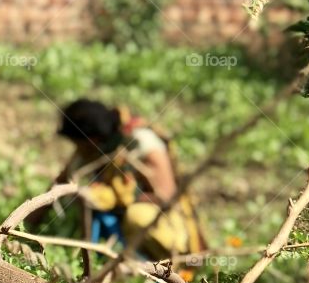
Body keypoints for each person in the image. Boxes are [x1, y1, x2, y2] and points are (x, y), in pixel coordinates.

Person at [55, 98, 206, 260]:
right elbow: (58, 185)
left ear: (92, 140)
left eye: (78, 144)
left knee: (136, 216)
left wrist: (116, 198)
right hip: (120, 218)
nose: (77, 150)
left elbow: (167, 197)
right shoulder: (92, 146)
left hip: (167, 224)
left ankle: (168, 265)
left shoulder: (142, 142)